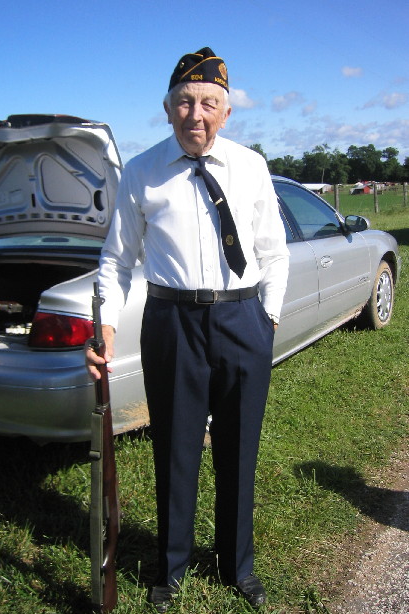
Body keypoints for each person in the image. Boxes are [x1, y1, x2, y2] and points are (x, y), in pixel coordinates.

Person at [86, 47, 289, 611]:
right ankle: (170, 568)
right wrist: (104, 325)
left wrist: (266, 319)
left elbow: (274, 251)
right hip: (172, 321)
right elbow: (116, 259)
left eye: (208, 103)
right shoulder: (142, 172)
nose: (194, 114)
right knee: (175, 447)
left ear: (226, 111)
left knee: (239, 446)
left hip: (243, 317)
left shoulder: (250, 166)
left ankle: (237, 565)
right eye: (184, 102)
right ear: (167, 107)